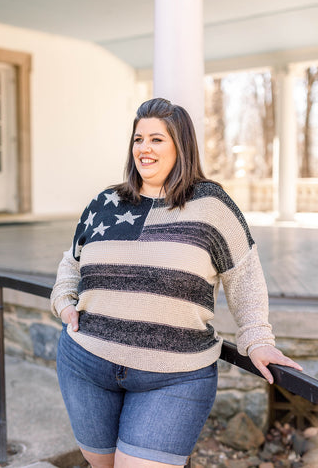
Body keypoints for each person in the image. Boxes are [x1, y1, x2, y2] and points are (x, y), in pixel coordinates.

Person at [51, 98, 302, 468]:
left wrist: (257, 340)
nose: (143, 148)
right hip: (87, 365)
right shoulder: (105, 202)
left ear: (180, 145)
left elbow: (245, 278)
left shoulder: (211, 205)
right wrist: (63, 300)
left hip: (174, 377)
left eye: (156, 139)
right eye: (138, 139)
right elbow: (71, 263)